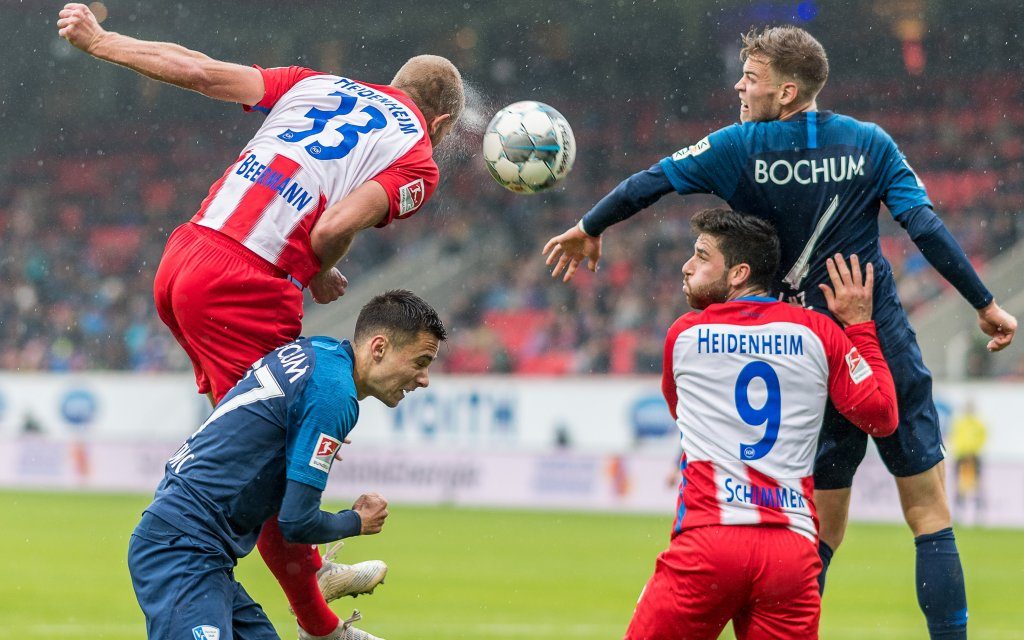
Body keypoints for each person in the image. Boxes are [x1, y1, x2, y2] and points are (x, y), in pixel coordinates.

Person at [544, 25, 1017, 639]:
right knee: (927, 511)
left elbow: (652, 181)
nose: (740, 85)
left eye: (752, 77)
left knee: (821, 527)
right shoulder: (870, 144)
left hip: (808, 354)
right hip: (877, 339)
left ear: (788, 90)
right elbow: (923, 228)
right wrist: (983, 302)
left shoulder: (739, 146)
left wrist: (590, 225)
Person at [57, 3, 464, 637]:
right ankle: (318, 614)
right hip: (245, 283)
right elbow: (331, 227)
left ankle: (299, 579)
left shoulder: (318, 84)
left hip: (187, 254)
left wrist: (101, 40)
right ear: (439, 122)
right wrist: (316, 263)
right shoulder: (417, 156)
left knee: (253, 435)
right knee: (282, 437)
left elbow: (199, 71)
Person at [627, 208, 897, 639]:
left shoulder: (684, 335)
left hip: (710, 541)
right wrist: (862, 327)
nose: (687, 266)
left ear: (738, 274)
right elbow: (882, 417)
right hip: (789, 553)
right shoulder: (819, 332)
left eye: (701, 256)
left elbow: (681, 413)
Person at [128, 289, 447, 640]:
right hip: (182, 550)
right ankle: (322, 578)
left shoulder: (318, 352)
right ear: (379, 348)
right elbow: (296, 522)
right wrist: (357, 521)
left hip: (199, 550)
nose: (424, 379)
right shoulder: (334, 396)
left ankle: (320, 590)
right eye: (419, 362)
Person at [949, 399, 988, 520]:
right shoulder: (959, 423)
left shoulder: (978, 424)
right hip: (961, 456)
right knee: (958, 484)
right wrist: (961, 451)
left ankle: (979, 512)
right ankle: (958, 512)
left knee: (977, 485)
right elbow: (954, 438)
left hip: (974, 456)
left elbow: (983, 439)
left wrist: (973, 451)